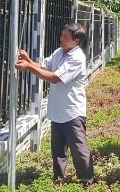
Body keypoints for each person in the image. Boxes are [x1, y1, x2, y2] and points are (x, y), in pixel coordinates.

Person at [15, 23, 93, 185]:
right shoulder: (59, 52)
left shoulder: (77, 58)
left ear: (76, 41)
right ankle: (59, 180)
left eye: (65, 37)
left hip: (73, 112)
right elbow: (44, 66)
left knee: (79, 149)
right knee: (58, 150)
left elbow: (55, 78)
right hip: (57, 111)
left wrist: (28, 67)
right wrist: (29, 61)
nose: (61, 38)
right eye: (62, 35)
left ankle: (87, 181)